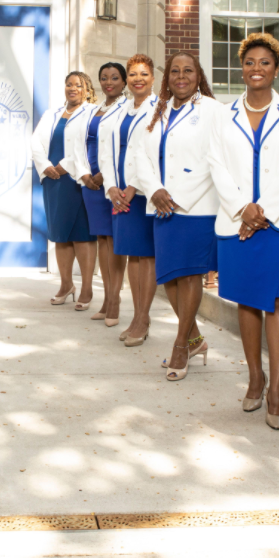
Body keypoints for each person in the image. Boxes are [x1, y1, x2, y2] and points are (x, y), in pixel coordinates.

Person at [209, 33, 279, 428]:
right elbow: (215, 165)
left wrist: (262, 212)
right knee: (248, 303)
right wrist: (242, 210)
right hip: (235, 222)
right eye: (250, 62)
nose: (256, 68)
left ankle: (278, 389)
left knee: (278, 302)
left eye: (264, 62)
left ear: (276, 68)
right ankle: (255, 377)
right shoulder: (222, 114)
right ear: (241, 67)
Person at [133, 52, 222, 381]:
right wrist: (154, 189)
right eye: (175, 71)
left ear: (199, 75)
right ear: (167, 77)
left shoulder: (213, 111)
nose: (181, 76)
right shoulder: (157, 109)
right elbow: (141, 154)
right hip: (161, 205)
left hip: (196, 208)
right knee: (169, 277)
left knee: (189, 277)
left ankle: (181, 345)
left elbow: (215, 160)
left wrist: (176, 198)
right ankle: (196, 338)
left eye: (188, 70)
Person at [30, 71, 98, 309]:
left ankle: (87, 287)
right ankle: (66, 284)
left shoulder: (92, 113)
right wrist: (47, 166)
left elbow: (89, 144)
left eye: (78, 85)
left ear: (87, 89)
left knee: (82, 235)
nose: (72, 89)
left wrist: (65, 165)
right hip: (54, 181)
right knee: (60, 235)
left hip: (77, 179)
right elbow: (35, 141)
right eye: (69, 84)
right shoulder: (52, 114)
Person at [104, 54, 158, 347]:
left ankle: (143, 318)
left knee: (144, 256)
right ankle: (137, 317)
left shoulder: (159, 108)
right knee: (131, 256)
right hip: (119, 193)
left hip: (141, 193)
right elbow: (106, 148)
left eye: (143, 74)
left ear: (153, 78)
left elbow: (150, 152)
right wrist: (112, 186)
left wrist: (133, 187)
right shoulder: (119, 110)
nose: (138, 79)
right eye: (133, 74)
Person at [71, 62, 128, 326]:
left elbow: (122, 148)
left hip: (111, 182)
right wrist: (84, 174)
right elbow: (79, 144)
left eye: (115, 78)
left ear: (124, 81)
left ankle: (115, 300)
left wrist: (103, 176)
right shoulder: (93, 109)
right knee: (103, 241)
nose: (109, 82)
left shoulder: (127, 109)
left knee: (115, 242)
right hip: (90, 184)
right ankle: (106, 298)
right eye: (104, 77)